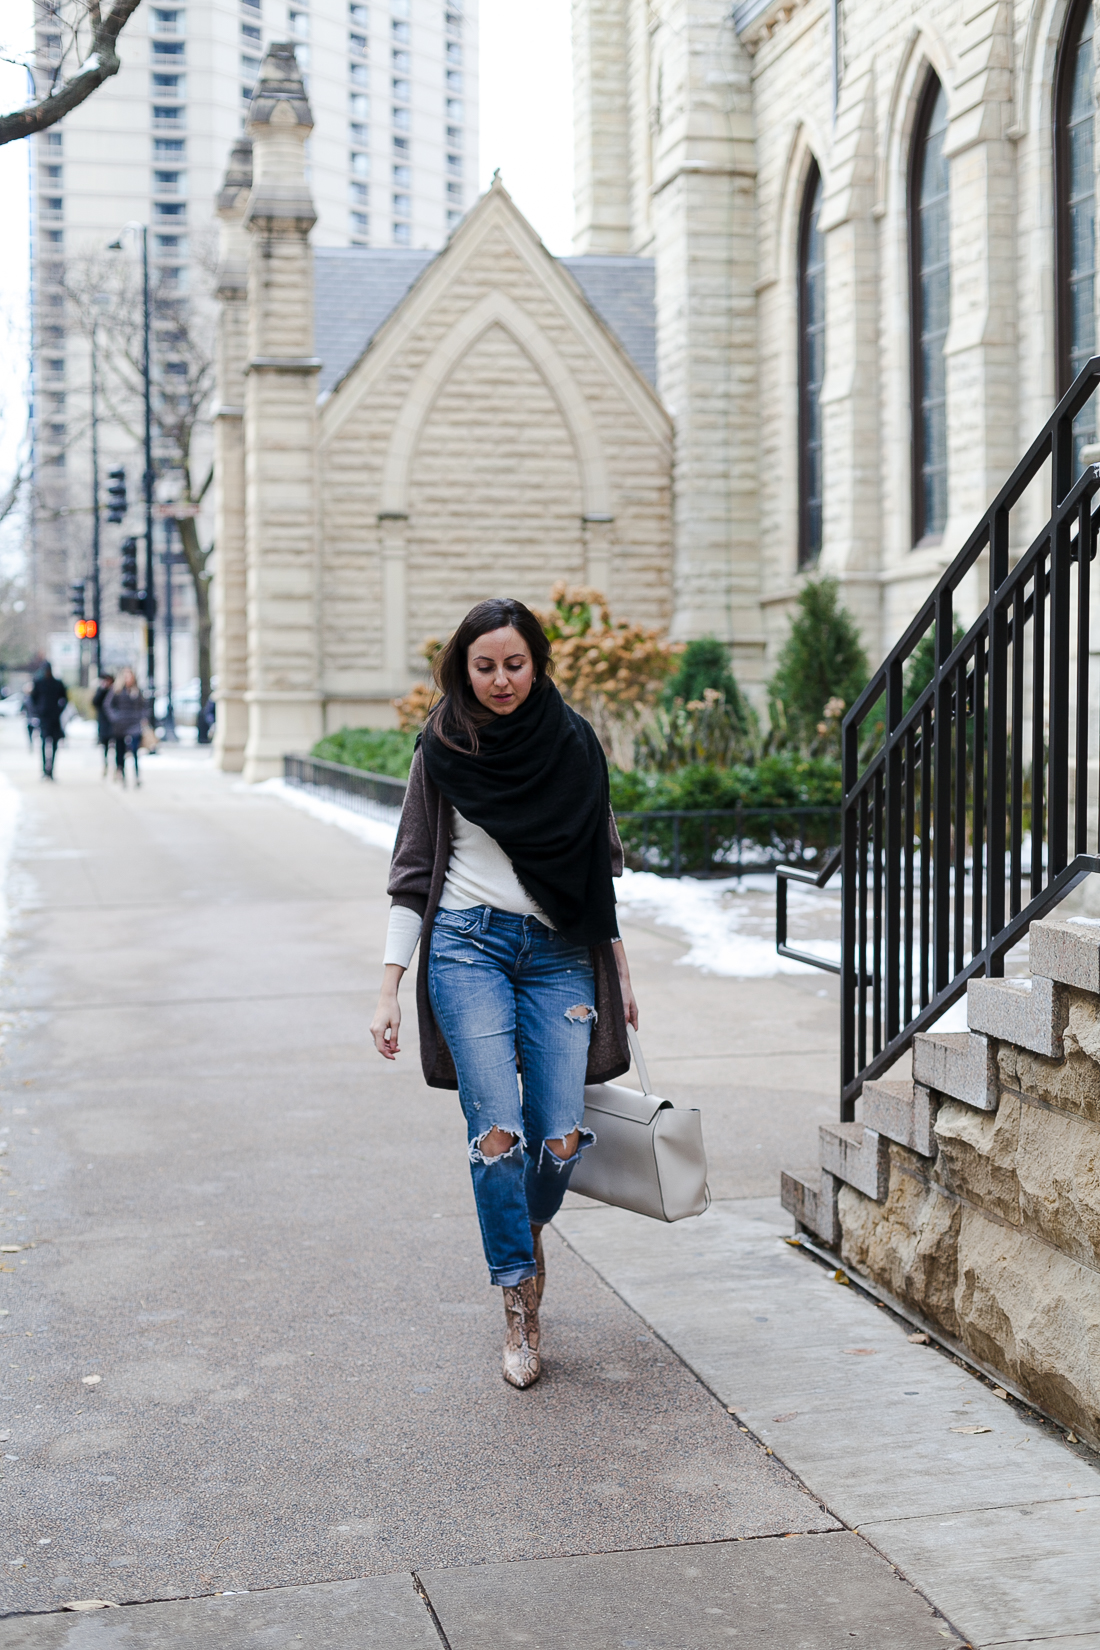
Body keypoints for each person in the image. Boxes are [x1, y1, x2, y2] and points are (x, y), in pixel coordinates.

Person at [370, 597, 638, 1390]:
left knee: (558, 1137)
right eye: (483, 666)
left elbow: (600, 867)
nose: (499, 680)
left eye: (513, 664)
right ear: (463, 667)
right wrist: (388, 985)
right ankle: (519, 1302)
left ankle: (517, 1227)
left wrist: (620, 968)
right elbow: (412, 868)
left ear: (537, 663)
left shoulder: (574, 743)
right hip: (467, 947)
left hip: (559, 952)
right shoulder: (442, 745)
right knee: (496, 1136)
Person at [104, 668, 148, 787]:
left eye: (130, 676)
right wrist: (115, 717)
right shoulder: (117, 690)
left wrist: (142, 718)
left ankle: (137, 775)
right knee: (120, 751)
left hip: (134, 724)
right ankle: (121, 772)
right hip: (120, 725)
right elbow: (108, 705)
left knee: (134, 750)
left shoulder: (136, 691)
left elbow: (144, 706)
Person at [30, 662, 67, 781]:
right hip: (44, 718)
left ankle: (51, 770)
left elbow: (64, 698)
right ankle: (44, 769)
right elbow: (33, 698)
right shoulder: (39, 683)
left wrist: (58, 710)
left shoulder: (57, 683)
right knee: (44, 743)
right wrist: (38, 710)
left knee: (55, 744)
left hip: (54, 718)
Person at [91, 672, 116, 778]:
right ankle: (105, 764)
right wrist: (102, 689)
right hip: (103, 721)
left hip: (114, 722)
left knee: (115, 744)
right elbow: (95, 702)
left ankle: (116, 766)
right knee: (104, 745)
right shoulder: (101, 691)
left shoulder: (115, 691)